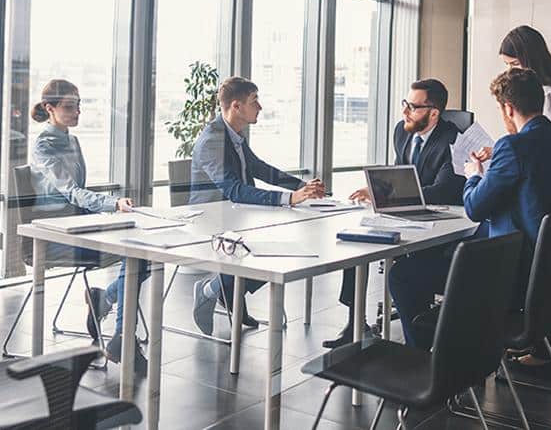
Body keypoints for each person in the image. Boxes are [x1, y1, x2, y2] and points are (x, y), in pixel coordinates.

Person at [462, 67, 551, 371]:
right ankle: (539, 347)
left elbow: (474, 208)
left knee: (431, 269)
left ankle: (455, 366)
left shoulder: (512, 147)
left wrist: (473, 176)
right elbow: (542, 193)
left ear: (508, 108)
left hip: (520, 275)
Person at [323, 79, 465, 349]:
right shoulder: (402, 131)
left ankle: (421, 341)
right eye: (405, 104)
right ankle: (355, 324)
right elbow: (402, 174)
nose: (405, 112)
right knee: (357, 243)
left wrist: (389, 196)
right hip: (402, 213)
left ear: (434, 112)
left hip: (439, 221)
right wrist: (378, 189)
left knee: (406, 272)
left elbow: (444, 190)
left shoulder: (453, 140)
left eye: (413, 107)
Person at [189, 76, 325, 335]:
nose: (260, 107)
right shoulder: (212, 140)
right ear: (236, 106)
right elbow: (234, 190)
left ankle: (226, 290)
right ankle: (211, 289)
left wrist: (300, 186)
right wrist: (289, 199)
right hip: (211, 220)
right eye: (255, 101)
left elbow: (259, 168)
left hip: (235, 216)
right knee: (267, 251)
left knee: (278, 247)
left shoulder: (234, 135)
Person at [30, 79, 149, 371]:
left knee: (142, 251)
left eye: (78, 105)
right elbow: (71, 191)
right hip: (56, 234)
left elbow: (79, 195)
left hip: (80, 225)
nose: (77, 112)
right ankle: (122, 335)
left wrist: (108, 214)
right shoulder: (44, 145)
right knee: (134, 255)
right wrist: (112, 204)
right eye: (70, 107)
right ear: (50, 108)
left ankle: (105, 302)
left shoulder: (72, 140)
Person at [498, 25, 551, 136]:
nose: (510, 71)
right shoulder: (534, 92)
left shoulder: (549, 95)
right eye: (507, 65)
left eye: (515, 64)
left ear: (532, 60)